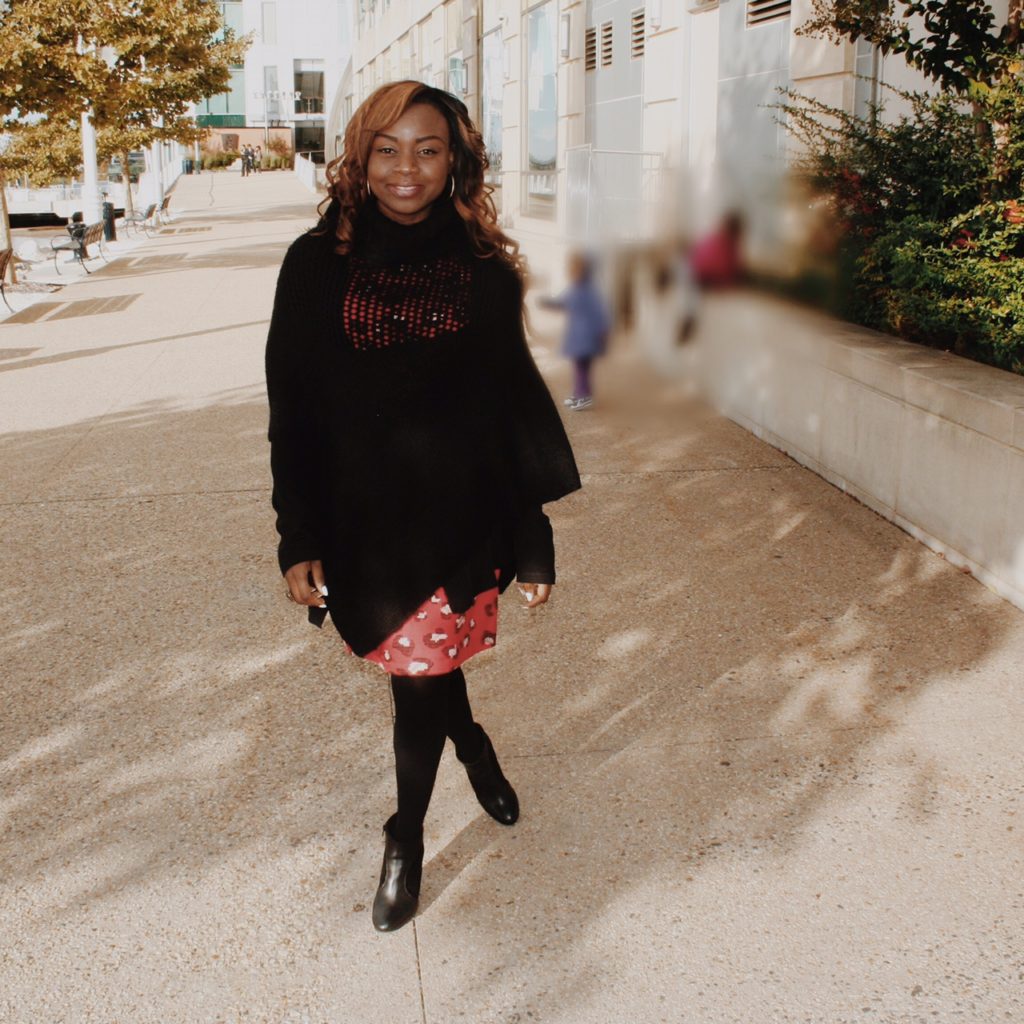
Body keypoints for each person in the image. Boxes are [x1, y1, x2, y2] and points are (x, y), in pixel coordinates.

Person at [265, 81, 581, 933]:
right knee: (430, 674)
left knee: (420, 682)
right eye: (388, 149)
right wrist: (297, 535)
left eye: (428, 149)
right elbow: (290, 411)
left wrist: (534, 538)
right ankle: (473, 745)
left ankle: (404, 834)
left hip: (465, 523)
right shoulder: (313, 263)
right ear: (361, 159)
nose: (407, 168)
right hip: (366, 528)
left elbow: (510, 413)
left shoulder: (484, 273)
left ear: (455, 161)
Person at [540, 251, 610, 411]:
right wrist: (547, 302)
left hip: (587, 337)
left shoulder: (589, 290)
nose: (572, 272)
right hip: (579, 336)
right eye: (572, 269)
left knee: (582, 369)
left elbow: (600, 313)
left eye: (576, 269)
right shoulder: (575, 288)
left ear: (585, 270)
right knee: (580, 368)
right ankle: (580, 394)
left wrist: (603, 330)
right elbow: (561, 302)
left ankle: (583, 396)